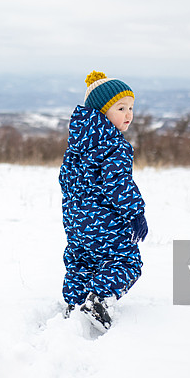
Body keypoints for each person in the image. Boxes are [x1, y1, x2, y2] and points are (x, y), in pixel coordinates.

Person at [58, 70, 148, 331]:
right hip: (104, 221)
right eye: (121, 108)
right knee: (126, 261)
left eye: (131, 107)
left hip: (75, 222)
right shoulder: (114, 145)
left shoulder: (77, 144)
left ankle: (73, 304)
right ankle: (97, 301)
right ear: (101, 112)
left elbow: (65, 179)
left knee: (81, 261)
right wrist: (135, 214)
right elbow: (118, 183)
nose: (128, 114)